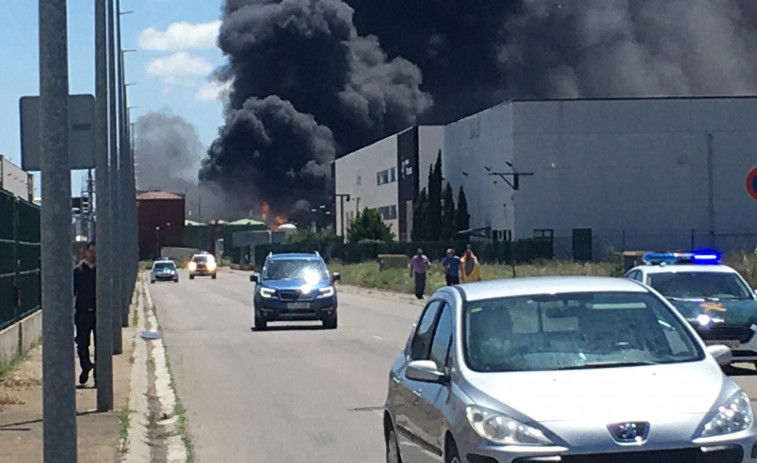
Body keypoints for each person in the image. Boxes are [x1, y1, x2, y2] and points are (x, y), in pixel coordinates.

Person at [73, 241, 96, 386]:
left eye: (95, 252)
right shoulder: (78, 271)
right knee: (82, 344)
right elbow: (72, 291)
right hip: (82, 313)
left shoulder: (101, 271)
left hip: (98, 313)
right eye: (91, 251)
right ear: (86, 252)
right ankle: (86, 366)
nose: (93, 254)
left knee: (101, 345)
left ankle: (99, 376)